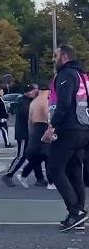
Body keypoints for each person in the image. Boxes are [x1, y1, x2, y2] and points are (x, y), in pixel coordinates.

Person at [43, 44, 89, 231]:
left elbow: (63, 103)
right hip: (83, 128)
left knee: (54, 170)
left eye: (55, 56)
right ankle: (79, 210)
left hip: (68, 130)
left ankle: (75, 211)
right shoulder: (82, 76)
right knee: (74, 170)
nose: (53, 59)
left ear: (63, 57)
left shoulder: (65, 75)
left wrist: (51, 127)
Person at [2, 84, 39, 187]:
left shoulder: (26, 101)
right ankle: (8, 174)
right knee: (21, 155)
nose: (37, 93)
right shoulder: (24, 102)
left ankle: (36, 176)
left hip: (26, 132)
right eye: (35, 91)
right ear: (29, 91)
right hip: (23, 133)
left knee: (29, 155)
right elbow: (27, 115)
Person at [16, 88, 50, 189]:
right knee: (48, 156)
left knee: (38, 156)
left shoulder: (34, 102)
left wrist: (31, 133)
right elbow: (48, 116)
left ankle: (25, 175)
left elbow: (30, 121)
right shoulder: (45, 101)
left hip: (35, 130)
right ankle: (51, 181)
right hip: (44, 128)